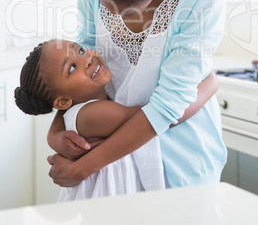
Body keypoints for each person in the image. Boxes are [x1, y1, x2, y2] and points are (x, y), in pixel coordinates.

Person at [47, 0, 227, 189]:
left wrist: (82, 169)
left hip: (180, 164)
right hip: (115, 165)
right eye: (106, 7)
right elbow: (83, 59)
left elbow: (169, 105)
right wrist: (56, 132)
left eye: (128, 14)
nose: (116, 19)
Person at [14, 39, 164, 200]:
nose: (87, 59)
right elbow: (158, 114)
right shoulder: (95, 114)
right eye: (71, 68)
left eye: (80, 51)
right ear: (63, 102)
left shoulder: (80, 112)